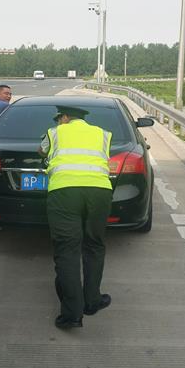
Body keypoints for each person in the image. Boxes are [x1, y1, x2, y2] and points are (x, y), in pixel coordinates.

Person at [39, 105, 113, 329]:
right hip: (99, 192)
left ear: (64, 117)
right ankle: (92, 301)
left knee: (67, 249)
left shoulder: (54, 133)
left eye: (58, 119)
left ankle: (72, 314)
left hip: (64, 192)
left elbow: (42, 151)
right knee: (94, 245)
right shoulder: (102, 134)